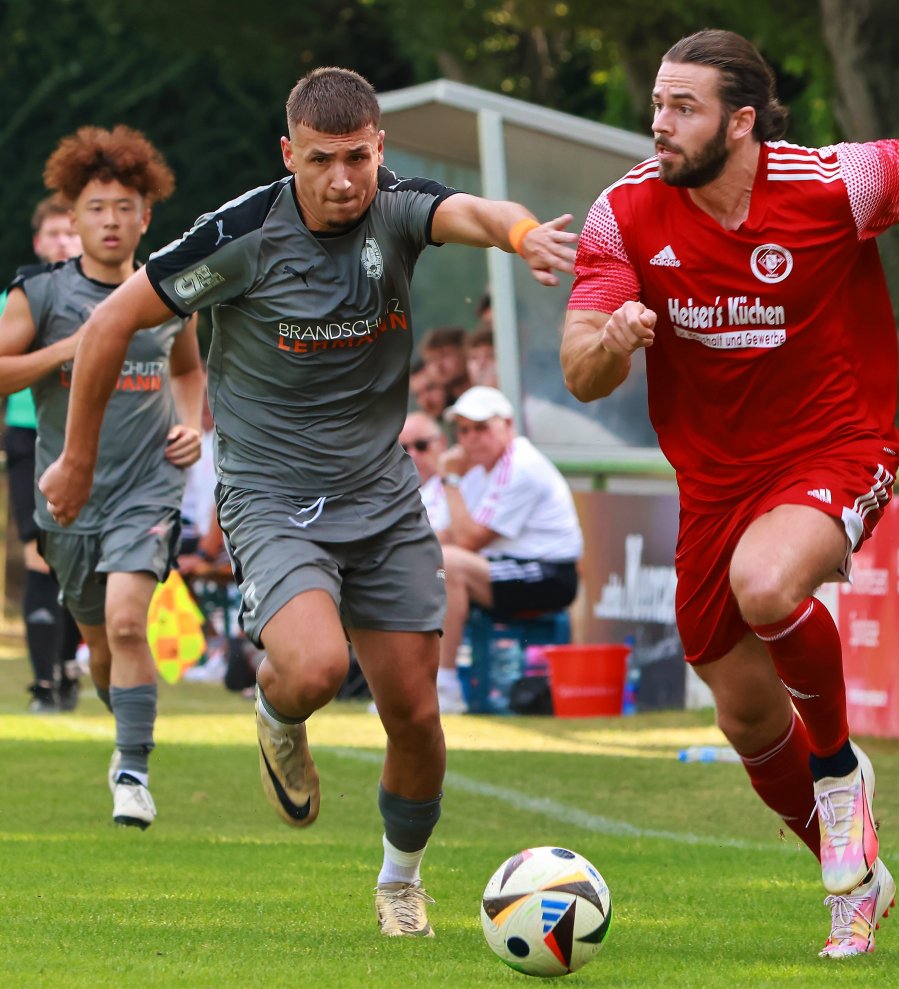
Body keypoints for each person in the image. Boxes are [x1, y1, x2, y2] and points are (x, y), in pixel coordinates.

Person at [561, 29, 899, 960]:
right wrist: (614, 338)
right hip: (715, 485)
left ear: (739, 122)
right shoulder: (623, 216)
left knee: (768, 586)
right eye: (656, 104)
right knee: (746, 717)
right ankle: (851, 876)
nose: (659, 124)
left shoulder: (832, 183)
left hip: (837, 444)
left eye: (682, 108)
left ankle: (842, 773)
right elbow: (579, 370)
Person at [40, 67, 576, 937]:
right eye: (321, 160)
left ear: (379, 150)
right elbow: (107, 326)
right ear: (289, 154)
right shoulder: (241, 235)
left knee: (417, 716)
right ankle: (277, 712)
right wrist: (75, 457)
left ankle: (400, 882)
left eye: (358, 158)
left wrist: (521, 237)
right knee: (318, 667)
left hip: (384, 496)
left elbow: (471, 214)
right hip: (273, 494)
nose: (342, 180)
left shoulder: (396, 210)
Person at [0, 125, 204, 828]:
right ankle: (127, 731)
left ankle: (131, 771)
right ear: (71, 216)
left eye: (126, 207)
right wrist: (71, 349)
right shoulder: (39, 292)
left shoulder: (173, 292)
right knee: (100, 644)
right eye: (96, 208)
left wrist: (190, 423)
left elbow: (188, 368)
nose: (112, 221)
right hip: (68, 491)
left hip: (149, 484)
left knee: (126, 621)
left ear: (147, 216)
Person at [436, 386, 583, 714]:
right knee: (428, 560)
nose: (471, 438)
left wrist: (450, 480)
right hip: (511, 567)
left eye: (481, 428)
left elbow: (467, 541)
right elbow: (448, 533)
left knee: (448, 564)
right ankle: (426, 681)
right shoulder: (478, 469)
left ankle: (444, 686)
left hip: (550, 575)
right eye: (463, 430)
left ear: (508, 425)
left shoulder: (521, 465)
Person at [3, 194, 84, 712]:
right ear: (38, 241)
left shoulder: (109, 296)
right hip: (30, 437)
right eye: (53, 233)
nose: (61, 241)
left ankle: (69, 662)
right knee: (41, 555)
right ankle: (44, 685)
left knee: (79, 557)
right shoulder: (19, 297)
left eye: (68, 234)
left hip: (91, 434)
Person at [419, 325, 470, 404]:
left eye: (444, 355)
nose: (438, 366)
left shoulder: (489, 392)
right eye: (431, 360)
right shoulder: (441, 408)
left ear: (465, 353)